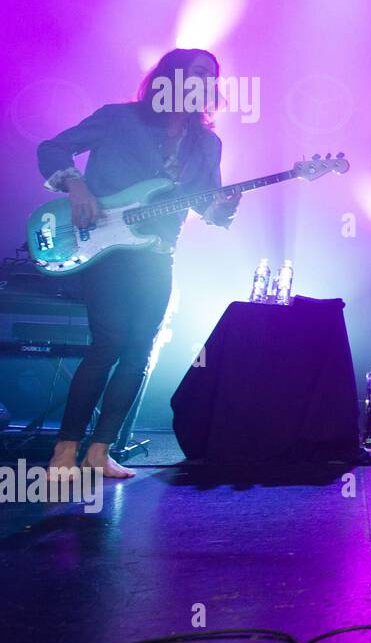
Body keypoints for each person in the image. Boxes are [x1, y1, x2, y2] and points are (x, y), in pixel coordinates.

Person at [38, 49, 240, 480]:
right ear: (170, 77)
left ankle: (99, 452)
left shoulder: (208, 143)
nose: (208, 80)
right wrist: (75, 186)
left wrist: (225, 208)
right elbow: (53, 148)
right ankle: (64, 450)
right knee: (107, 343)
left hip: (157, 253)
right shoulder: (118, 118)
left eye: (213, 75)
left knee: (138, 352)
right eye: (200, 72)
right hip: (105, 248)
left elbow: (208, 205)